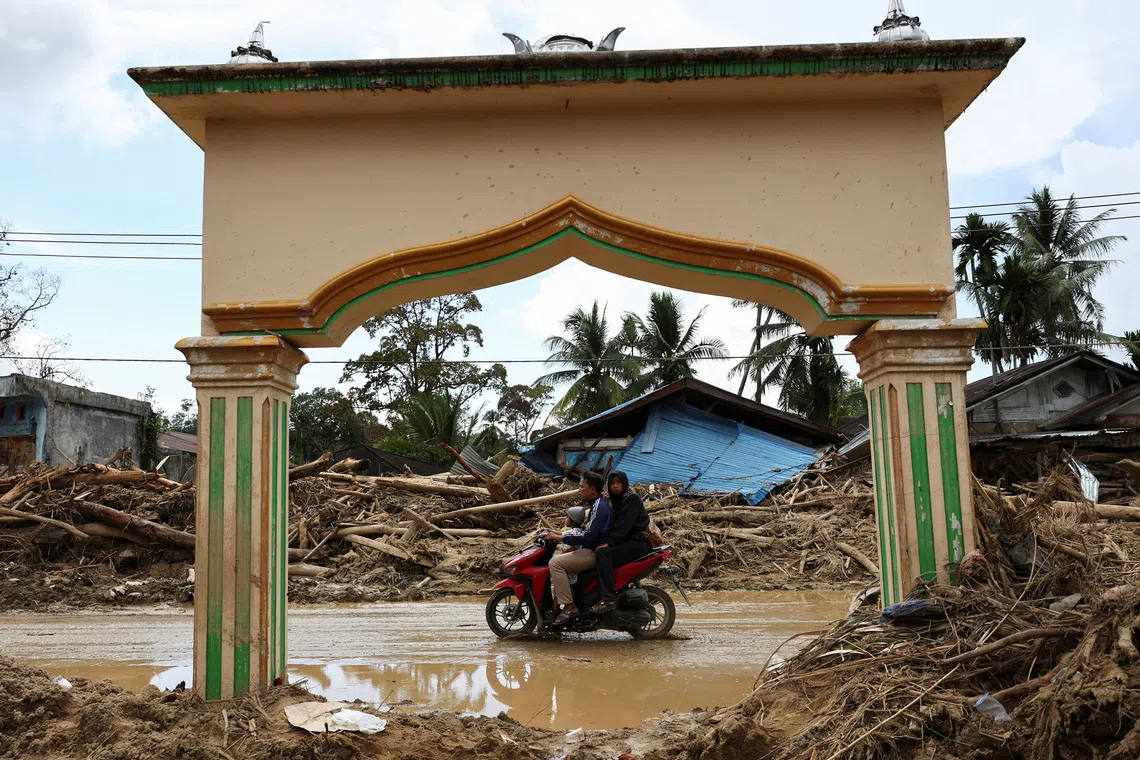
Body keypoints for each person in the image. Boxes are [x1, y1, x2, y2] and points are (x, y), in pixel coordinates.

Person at [542, 471, 612, 625]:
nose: (579, 490)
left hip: (593, 551)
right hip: (592, 549)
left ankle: (569, 606)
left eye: (582, 487)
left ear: (592, 489)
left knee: (555, 563)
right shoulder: (596, 505)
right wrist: (556, 534)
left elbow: (589, 536)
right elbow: (584, 532)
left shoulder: (599, 507)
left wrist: (559, 538)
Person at [589, 471, 651, 614]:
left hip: (638, 543)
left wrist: (609, 543)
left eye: (619, 482)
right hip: (627, 541)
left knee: (603, 554)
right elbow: (612, 525)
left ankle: (608, 598)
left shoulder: (631, 499)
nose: (615, 486)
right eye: (612, 483)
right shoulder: (616, 501)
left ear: (624, 484)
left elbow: (622, 528)